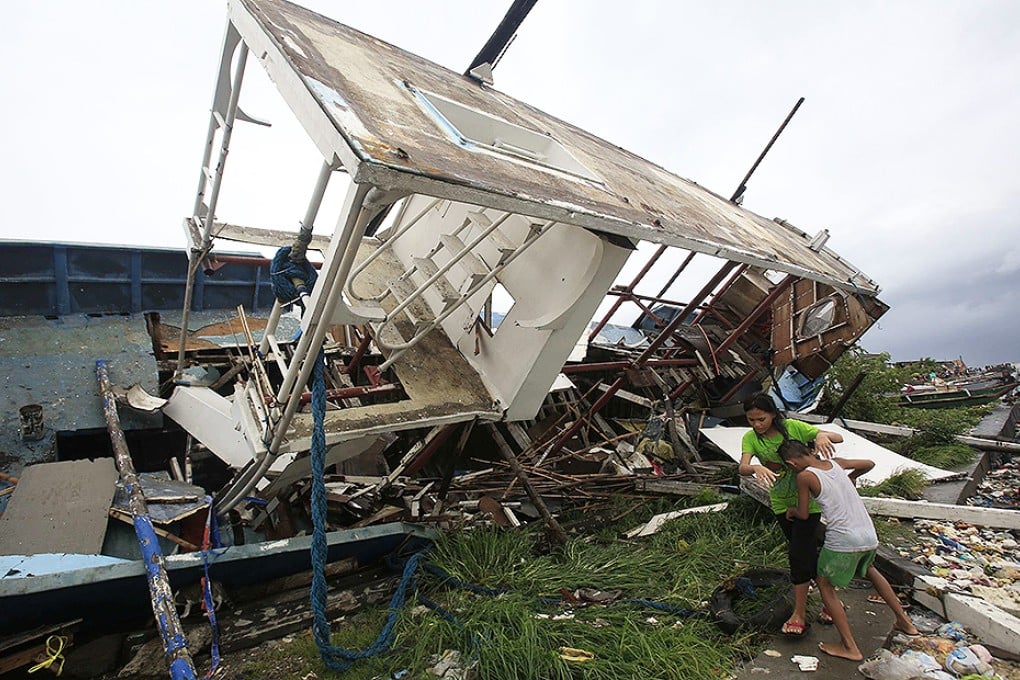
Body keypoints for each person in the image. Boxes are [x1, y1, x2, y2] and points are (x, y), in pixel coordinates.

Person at [780, 440, 919, 660]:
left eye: (789, 467)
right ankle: (905, 622)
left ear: (791, 462)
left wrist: (791, 511)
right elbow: (869, 463)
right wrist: (852, 477)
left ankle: (849, 646)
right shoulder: (836, 463)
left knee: (824, 583)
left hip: (843, 538)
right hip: (868, 534)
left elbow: (805, 514)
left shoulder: (804, 476)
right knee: (871, 570)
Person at [738, 393, 843, 635]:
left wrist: (822, 436)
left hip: (810, 501)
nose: (757, 425)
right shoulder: (751, 438)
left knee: (798, 554)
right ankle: (831, 603)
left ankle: (799, 614)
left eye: (761, 419)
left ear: (773, 414)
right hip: (782, 504)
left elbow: (834, 436)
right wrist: (755, 466)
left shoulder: (793, 427)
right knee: (806, 552)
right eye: (751, 420)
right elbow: (743, 467)